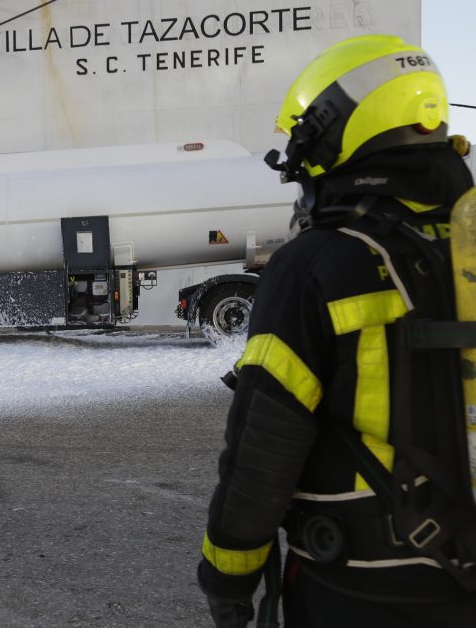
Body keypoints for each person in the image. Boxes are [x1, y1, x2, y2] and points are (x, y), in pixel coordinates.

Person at [198, 35, 476, 627]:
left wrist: (227, 576)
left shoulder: (313, 266)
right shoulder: (468, 252)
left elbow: (263, 449)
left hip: (364, 588)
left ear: (332, 130)